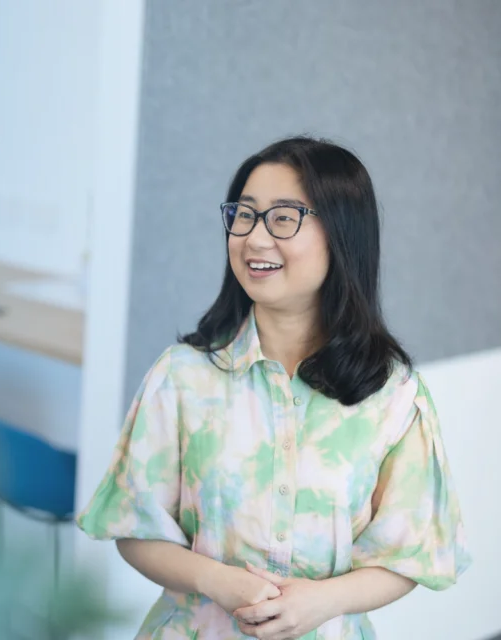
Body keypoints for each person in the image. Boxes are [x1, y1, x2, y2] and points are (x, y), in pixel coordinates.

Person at [76, 136, 470, 639]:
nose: (255, 239)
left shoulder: (392, 394)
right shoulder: (183, 377)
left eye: (283, 218)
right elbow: (133, 529)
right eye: (244, 215)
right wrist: (216, 581)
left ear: (342, 235)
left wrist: (323, 601)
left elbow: (411, 552)